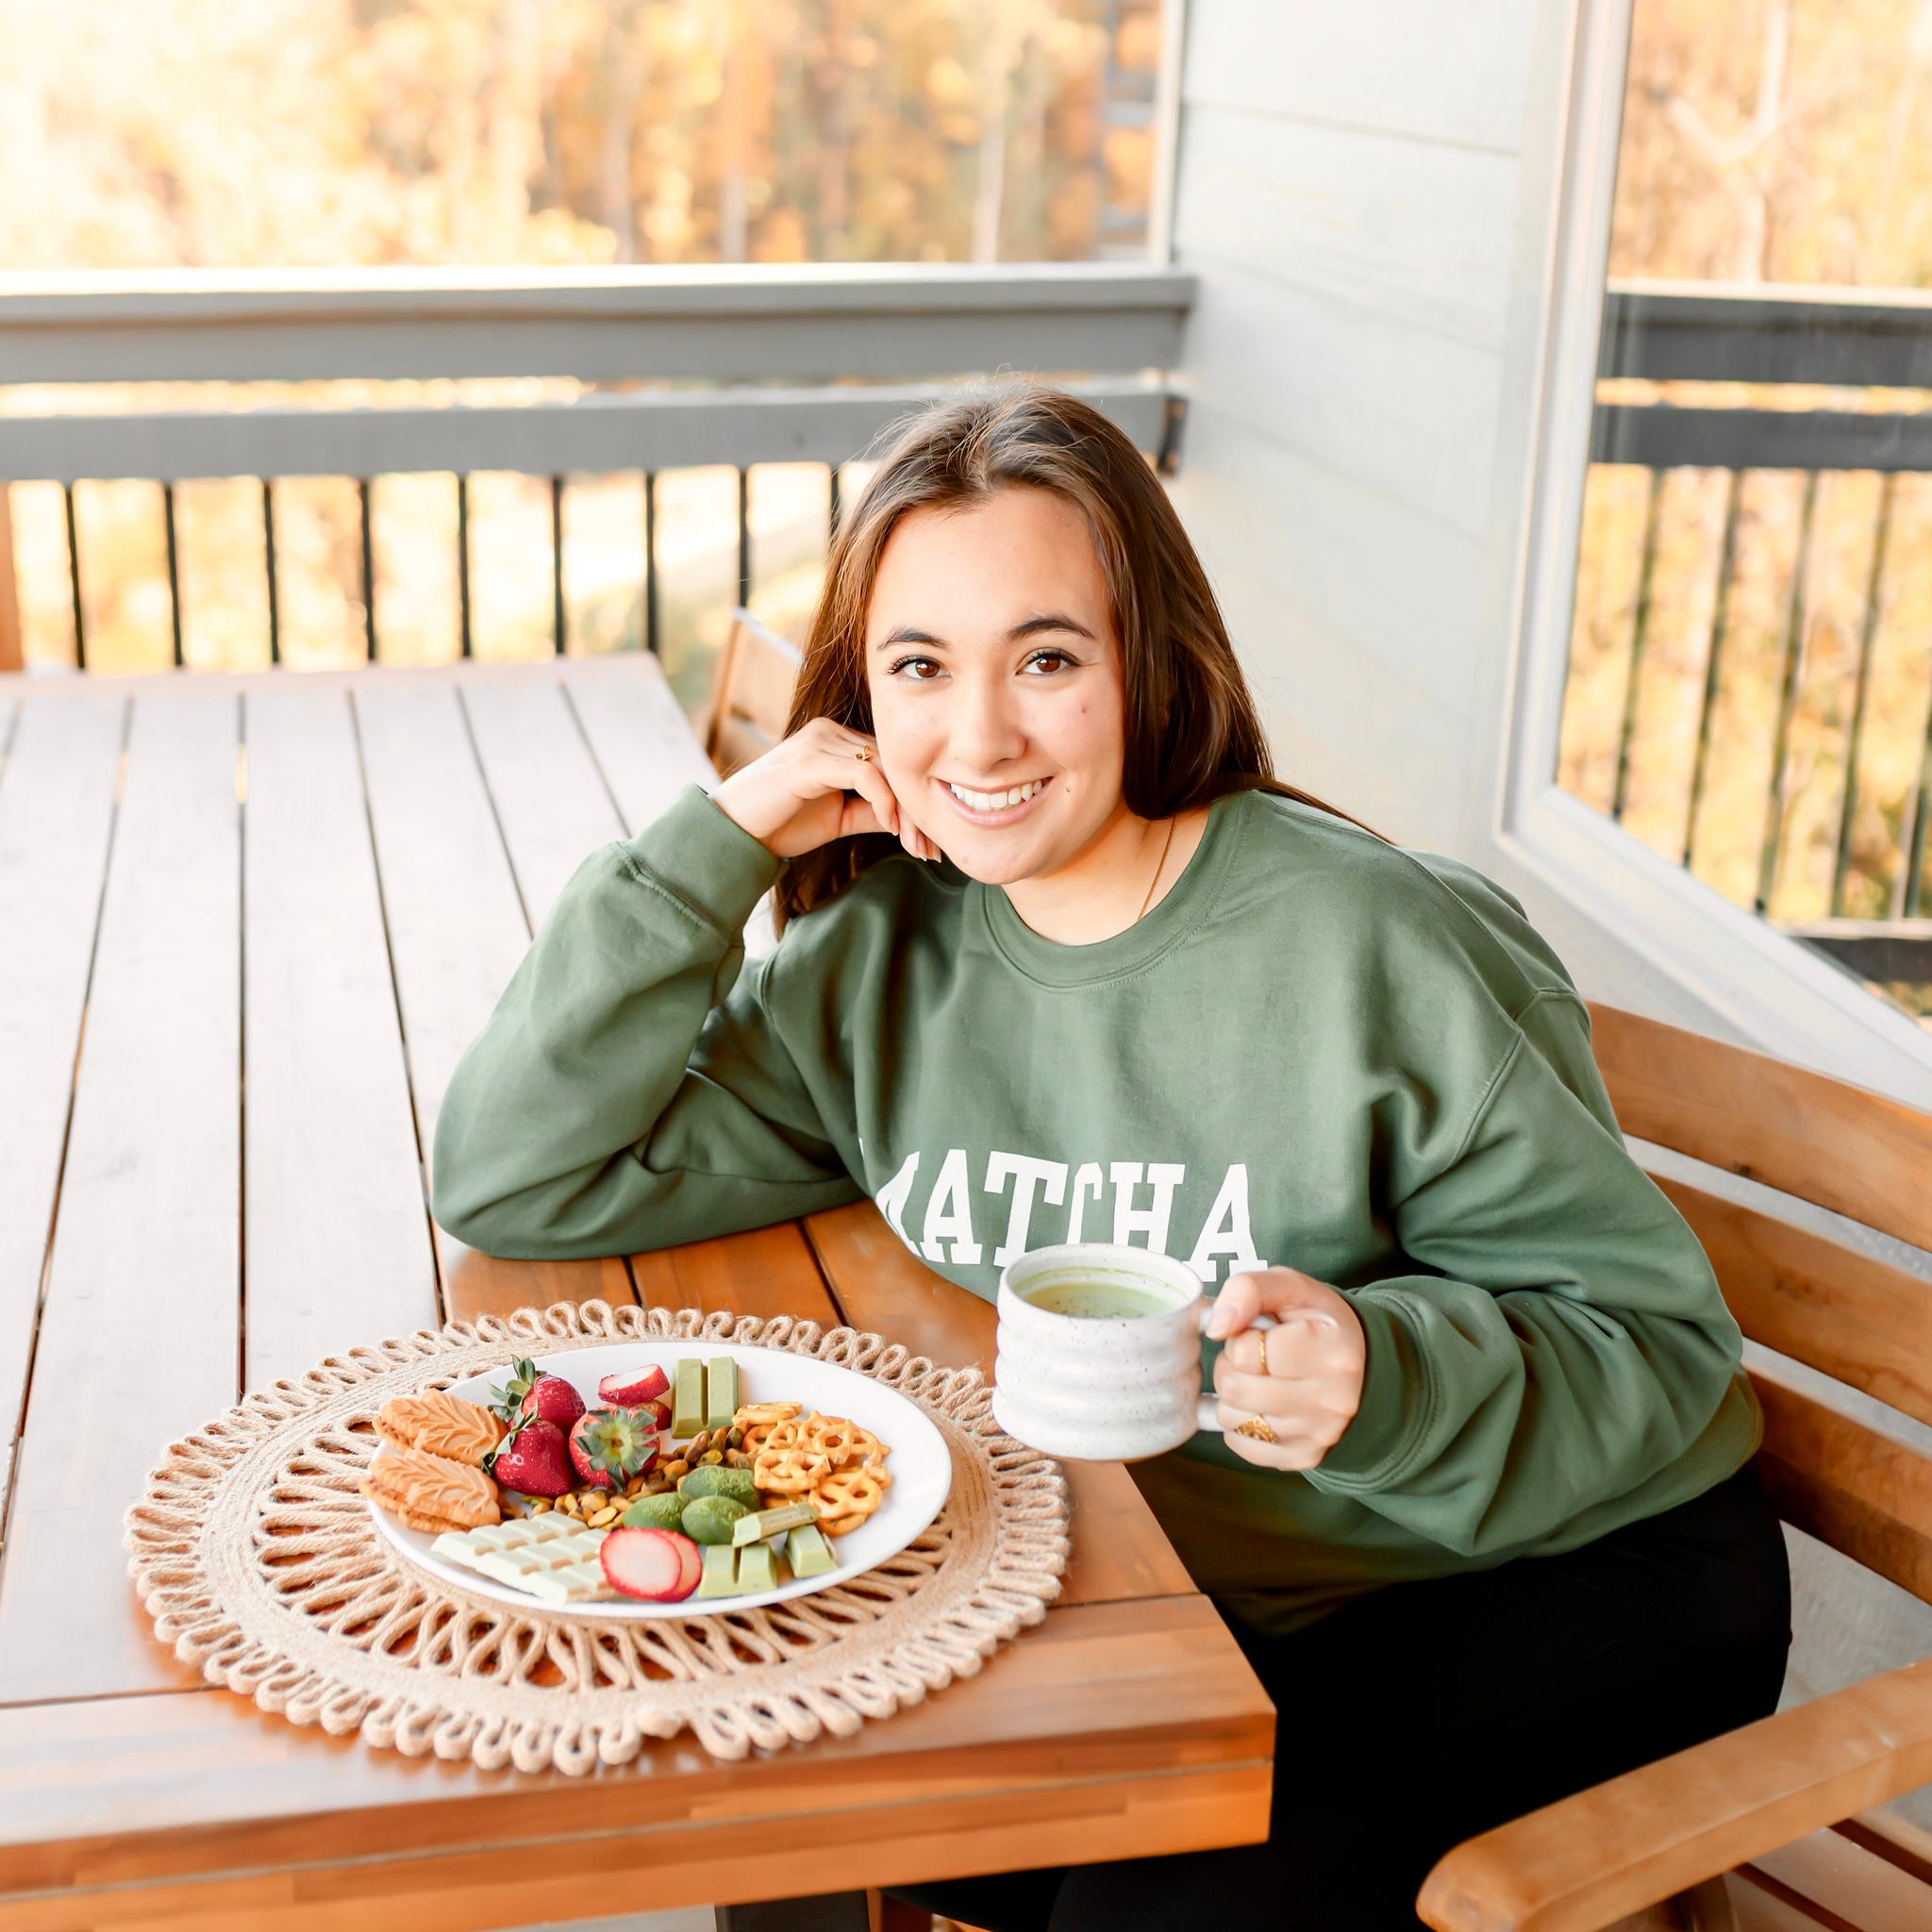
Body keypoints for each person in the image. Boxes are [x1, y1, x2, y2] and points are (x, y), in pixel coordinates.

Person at [432, 387, 1790, 1929]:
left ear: (1149, 658)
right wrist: (721, 842)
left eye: (1049, 659)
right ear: (859, 700)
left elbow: (1665, 1354)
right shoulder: (880, 962)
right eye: (920, 668)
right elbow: (513, 1174)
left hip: (1550, 1567)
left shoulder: (1373, 943)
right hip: (1182, 1590)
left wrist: (1381, 1369)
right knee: (781, 1786)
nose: (982, 734)